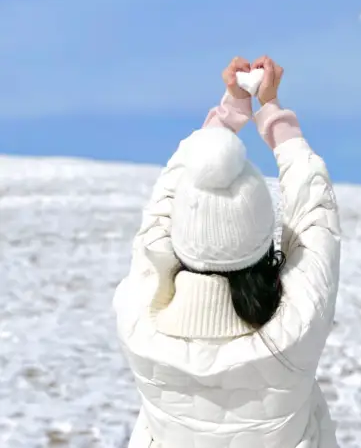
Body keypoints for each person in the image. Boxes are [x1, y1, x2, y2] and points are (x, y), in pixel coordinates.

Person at [113, 55, 341, 448]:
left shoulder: (139, 319)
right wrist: (269, 110)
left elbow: (163, 208)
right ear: (261, 239)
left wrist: (228, 114)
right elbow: (314, 215)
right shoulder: (294, 327)